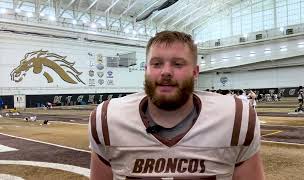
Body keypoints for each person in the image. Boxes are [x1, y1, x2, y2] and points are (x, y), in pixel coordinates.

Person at [89, 31, 265, 180]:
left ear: (195, 73)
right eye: (156, 64)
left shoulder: (236, 118)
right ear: (146, 70)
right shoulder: (107, 119)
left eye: (177, 64)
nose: (166, 72)